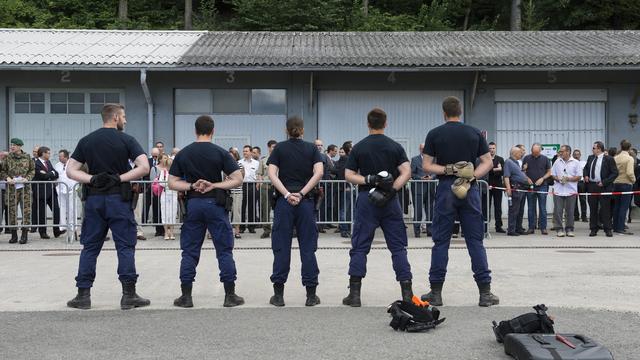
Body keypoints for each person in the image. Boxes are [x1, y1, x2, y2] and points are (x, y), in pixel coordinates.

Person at [65, 103, 151, 310]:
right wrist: (120, 178)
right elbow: (144, 167)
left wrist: (92, 179)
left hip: (94, 200)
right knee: (125, 246)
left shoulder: (87, 141)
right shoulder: (127, 140)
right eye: (124, 116)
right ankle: (129, 295)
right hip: (118, 200)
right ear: (115, 118)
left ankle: (83, 296)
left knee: (90, 247)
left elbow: (70, 170)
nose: (126, 120)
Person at [420, 96, 499, 307]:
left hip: (446, 188)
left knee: (441, 242)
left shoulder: (435, 134)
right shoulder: (474, 132)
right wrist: (471, 177)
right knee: (475, 241)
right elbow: (487, 162)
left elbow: (427, 165)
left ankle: (436, 293)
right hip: (469, 187)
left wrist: (449, 169)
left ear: (444, 112)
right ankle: (485, 293)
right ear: (460, 111)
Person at [169, 115, 245, 308]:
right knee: (224, 250)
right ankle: (230, 295)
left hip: (194, 203)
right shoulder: (220, 153)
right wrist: (215, 185)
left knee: (189, 251)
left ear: (195, 130)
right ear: (213, 131)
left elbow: (172, 183)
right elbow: (237, 179)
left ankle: (186, 296)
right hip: (216, 204)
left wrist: (191, 185)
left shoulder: (184, 154)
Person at [342, 108, 415, 307]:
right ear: (385, 123)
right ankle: (407, 293)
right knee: (398, 246)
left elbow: (348, 174)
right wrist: (393, 189)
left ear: (368, 124)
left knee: (360, 246)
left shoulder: (359, 147)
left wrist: (367, 179)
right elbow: (406, 171)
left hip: (367, 198)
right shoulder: (395, 146)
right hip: (391, 200)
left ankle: (354, 295)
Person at [266, 117, 323, 307]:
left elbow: (272, 174)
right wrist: (301, 193)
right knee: (308, 247)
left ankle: (279, 295)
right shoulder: (312, 149)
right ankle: (310, 295)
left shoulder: (279, 149)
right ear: (303, 130)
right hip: (305, 202)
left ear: (286, 130)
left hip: (284, 203)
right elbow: (319, 173)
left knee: (281, 246)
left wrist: (287, 194)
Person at [0, 138, 34, 244]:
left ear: (20, 146)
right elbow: (2, 170)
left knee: (26, 211)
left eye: (14, 145)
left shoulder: (27, 157)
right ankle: (13, 235)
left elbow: (32, 170)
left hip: (25, 189)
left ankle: (24, 235)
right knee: (12, 211)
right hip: (11, 189)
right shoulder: (8, 158)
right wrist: (7, 178)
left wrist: (27, 178)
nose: (12, 147)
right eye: (11, 145)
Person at [584, 141, 618, 237]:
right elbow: (585, 168)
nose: (592, 150)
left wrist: (604, 182)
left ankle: (608, 229)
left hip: (604, 186)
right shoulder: (590, 158)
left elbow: (615, 173)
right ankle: (593, 228)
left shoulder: (609, 159)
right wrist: (586, 175)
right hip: (592, 186)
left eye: (594, 148)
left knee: (605, 209)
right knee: (593, 208)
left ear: (599, 149)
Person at [32, 146, 64, 239]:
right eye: (48, 153)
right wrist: (50, 174)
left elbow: (56, 173)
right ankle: (43, 232)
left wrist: (49, 174)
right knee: (42, 213)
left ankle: (56, 231)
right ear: (43, 153)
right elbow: (42, 176)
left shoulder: (48, 162)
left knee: (56, 210)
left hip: (51, 191)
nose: (49, 155)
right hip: (41, 191)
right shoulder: (36, 163)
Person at [551, 145, 582, 237]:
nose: (560, 153)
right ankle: (559, 229)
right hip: (558, 190)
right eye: (560, 151)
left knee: (570, 211)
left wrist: (568, 179)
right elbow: (553, 174)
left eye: (562, 151)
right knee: (558, 211)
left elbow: (579, 176)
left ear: (568, 152)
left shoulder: (576, 162)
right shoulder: (557, 162)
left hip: (571, 190)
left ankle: (569, 229)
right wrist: (558, 179)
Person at [522, 143, 552, 235]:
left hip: (542, 186)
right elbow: (523, 171)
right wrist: (526, 178)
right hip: (530, 186)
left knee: (542, 208)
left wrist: (542, 178)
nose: (535, 154)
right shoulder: (526, 158)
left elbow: (549, 172)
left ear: (540, 151)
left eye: (536, 152)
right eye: (533, 152)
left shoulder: (545, 159)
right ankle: (531, 227)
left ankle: (543, 228)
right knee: (531, 208)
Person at [503, 146, 531, 236]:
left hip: (522, 188)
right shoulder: (508, 162)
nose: (521, 154)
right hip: (515, 188)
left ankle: (518, 228)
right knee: (514, 210)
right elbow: (506, 176)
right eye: (520, 152)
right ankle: (511, 229)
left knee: (520, 210)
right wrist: (508, 189)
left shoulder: (517, 163)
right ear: (514, 153)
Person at [410, 144, 434, 238]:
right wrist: (420, 178)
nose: (423, 150)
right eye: (422, 149)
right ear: (419, 149)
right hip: (418, 188)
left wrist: (432, 177)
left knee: (430, 211)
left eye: (425, 148)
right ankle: (417, 231)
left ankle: (430, 231)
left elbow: (436, 171)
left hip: (430, 188)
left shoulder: (433, 159)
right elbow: (411, 173)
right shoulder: (415, 159)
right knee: (418, 211)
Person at [612, 139, 635, 235]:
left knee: (616, 206)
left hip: (616, 183)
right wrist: (633, 180)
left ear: (621, 147)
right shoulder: (629, 158)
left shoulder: (615, 158)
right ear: (629, 148)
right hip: (626, 184)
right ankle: (620, 228)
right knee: (624, 207)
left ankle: (615, 226)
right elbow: (630, 172)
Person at [54, 150, 78, 237]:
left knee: (72, 208)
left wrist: (75, 186)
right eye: (59, 156)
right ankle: (62, 225)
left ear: (66, 157)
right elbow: (56, 177)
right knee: (62, 207)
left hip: (71, 189)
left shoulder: (73, 164)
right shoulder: (57, 165)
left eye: (61, 156)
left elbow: (76, 176)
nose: (59, 158)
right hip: (61, 189)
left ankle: (72, 225)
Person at [256, 140, 277, 239]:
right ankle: (266, 230)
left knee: (278, 209)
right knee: (265, 209)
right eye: (273, 147)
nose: (274, 148)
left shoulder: (281, 159)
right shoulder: (263, 160)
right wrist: (259, 182)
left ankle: (277, 229)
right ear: (268, 148)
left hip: (277, 187)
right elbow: (259, 173)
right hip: (266, 186)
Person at [157, 154, 178, 240]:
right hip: (165, 194)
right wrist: (169, 183)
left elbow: (177, 182)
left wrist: (169, 183)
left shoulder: (175, 173)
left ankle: (172, 232)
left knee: (173, 213)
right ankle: (166, 232)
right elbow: (161, 182)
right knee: (165, 213)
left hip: (173, 193)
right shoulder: (163, 172)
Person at [239, 145, 259, 233]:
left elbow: (258, 175)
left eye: (246, 151)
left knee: (252, 206)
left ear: (250, 152)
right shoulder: (239, 162)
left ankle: (251, 227)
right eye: (243, 151)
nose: (244, 153)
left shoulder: (256, 163)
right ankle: (242, 227)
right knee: (242, 206)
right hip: (242, 185)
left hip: (252, 185)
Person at [488, 142, 505, 233]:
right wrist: (497, 169)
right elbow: (486, 171)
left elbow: (503, 172)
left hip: (498, 186)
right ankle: (485, 225)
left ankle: (498, 226)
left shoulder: (500, 159)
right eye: (490, 148)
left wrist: (496, 170)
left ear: (495, 149)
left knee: (498, 207)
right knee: (487, 206)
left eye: (493, 148)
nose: (492, 150)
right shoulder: (486, 159)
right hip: (487, 186)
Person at [228, 148, 244, 239]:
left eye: (232, 156)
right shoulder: (225, 165)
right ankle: (228, 230)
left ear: (236, 156)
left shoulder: (240, 165)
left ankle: (237, 231)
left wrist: (231, 179)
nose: (230, 158)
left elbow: (241, 179)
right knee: (227, 212)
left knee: (237, 212)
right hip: (228, 191)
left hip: (237, 191)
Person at [572, 149, 588, 222]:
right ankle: (576, 216)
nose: (576, 156)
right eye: (575, 154)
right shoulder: (571, 163)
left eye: (578, 154)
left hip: (581, 183)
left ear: (580, 155)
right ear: (573, 155)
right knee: (574, 200)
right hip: (573, 183)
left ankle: (584, 216)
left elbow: (586, 172)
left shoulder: (584, 163)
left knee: (583, 200)